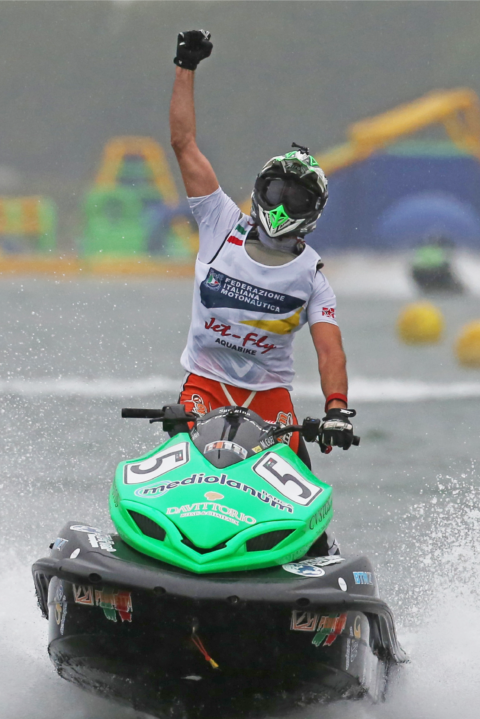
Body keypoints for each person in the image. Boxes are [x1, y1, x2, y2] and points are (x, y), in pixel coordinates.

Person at [170, 29, 355, 467]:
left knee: (304, 493)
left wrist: (336, 410)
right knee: (179, 471)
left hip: (270, 403)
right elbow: (184, 144)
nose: (281, 205)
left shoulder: (312, 278)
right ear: (258, 191)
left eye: (297, 198)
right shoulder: (219, 222)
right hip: (204, 388)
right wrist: (185, 68)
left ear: (313, 212)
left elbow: (329, 351)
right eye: (276, 191)